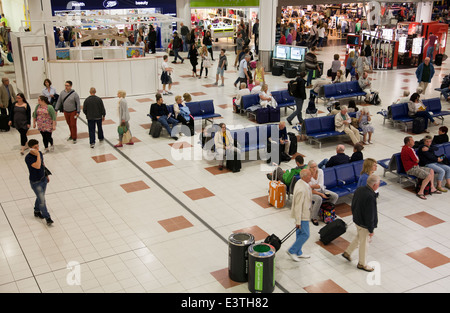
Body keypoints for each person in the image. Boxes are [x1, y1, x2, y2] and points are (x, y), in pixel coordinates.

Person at [342, 174, 380, 272]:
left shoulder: (360, 189)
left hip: (357, 219)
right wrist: (371, 229)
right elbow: (370, 215)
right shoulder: (370, 197)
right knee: (364, 243)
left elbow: (353, 204)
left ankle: (348, 252)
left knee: (359, 237)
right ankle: (362, 263)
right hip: (364, 224)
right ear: (375, 185)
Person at [25, 139, 54, 226]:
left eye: (38, 146)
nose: (37, 148)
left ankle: (36, 211)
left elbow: (42, 165)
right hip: (35, 182)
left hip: (43, 179)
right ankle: (47, 218)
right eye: (35, 147)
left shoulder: (40, 153)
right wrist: (37, 154)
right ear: (30, 148)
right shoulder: (28, 158)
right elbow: (37, 166)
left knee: (40, 197)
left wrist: (46, 175)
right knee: (42, 201)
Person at [287, 169, 312, 261]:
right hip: (302, 215)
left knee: (299, 233)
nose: (311, 176)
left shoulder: (301, 182)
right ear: (304, 177)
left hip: (304, 213)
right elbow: (298, 206)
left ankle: (298, 252)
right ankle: (292, 250)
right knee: (305, 234)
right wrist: (298, 221)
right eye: (309, 175)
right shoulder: (301, 189)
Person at [308, 160, 339, 226]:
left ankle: (327, 211)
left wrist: (313, 186)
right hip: (311, 193)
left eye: (315, 166)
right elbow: (310, 189)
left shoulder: (320, 171)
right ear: (309, 168)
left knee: (335, 196)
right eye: (312, 167)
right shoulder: (308, 175)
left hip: (322, 189)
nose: (314, 168)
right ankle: (314, 217)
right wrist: (321, 194)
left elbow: (321, 185)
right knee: (319, 199)